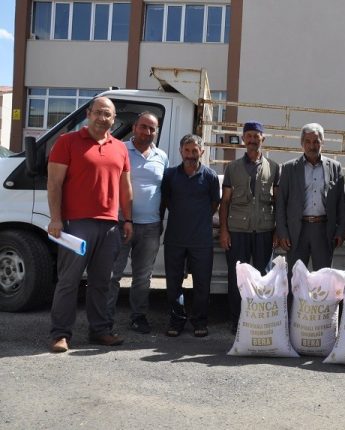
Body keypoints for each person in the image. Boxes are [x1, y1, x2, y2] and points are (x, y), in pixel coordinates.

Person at [47, 96, 133, 352]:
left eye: (107, 114)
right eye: (98, 112)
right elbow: (54, 184)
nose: (102, 118)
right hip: (76, 225)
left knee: (101, 282)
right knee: (69, 281)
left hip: (109, 226)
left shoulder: (120, 148)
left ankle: (100, 331)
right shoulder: (67, 142)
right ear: (88, 113)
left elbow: (125, 188)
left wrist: (127, 219)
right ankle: (60, 334)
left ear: (113, 119)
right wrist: (55, 218)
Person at [107, 111, 168, 334]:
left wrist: (160, 219)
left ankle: (138, 317)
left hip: (150, 226)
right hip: (121, 223)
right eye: (143, 127)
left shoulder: (161, 156)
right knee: (113, 274)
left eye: (152, 128)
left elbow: (162, 191)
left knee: (143, 277)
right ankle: (105, 319)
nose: (147, 132)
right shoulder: (119, 149)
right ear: (134, 127)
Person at [219, 121, 280, 333]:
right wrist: (224, 231)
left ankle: (259, 319)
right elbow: (225, 202)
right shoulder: (232, 168)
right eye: (249, 136)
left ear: (263, 139)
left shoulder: (273, 167)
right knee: (238, 277)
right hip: (237, 231)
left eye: (257, 136)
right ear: (244, 139)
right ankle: (237, 321)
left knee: (264, 276)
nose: (253, 139)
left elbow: (277, 202)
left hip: (264, 230)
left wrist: (277, 231)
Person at [162, 134, 220, 337]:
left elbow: (214, 205)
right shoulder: (170, 176)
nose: (190, 155)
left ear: (201, 152)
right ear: (180, 151)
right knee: (173, 282)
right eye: (187, 150)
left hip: (201, 240)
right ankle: (176, 321)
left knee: (202, 283)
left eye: (195, 151)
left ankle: (199, 321)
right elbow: (167, 201)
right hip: (175, 238)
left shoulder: (211, 176)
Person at [276, 123, 345, 275]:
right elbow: (281, 202)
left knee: (323, 279)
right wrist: (282, 232)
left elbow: (341, 202)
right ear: (302, 143)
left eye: (316, 142)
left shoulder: (335, 167)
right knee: (295, 279)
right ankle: (293, 301)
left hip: (323, 230)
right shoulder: (289, 168)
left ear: (322, 143)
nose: (312, 146)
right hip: (297, 232)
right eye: (307, 141)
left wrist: (341, 231)